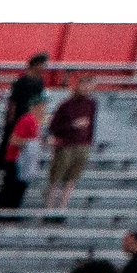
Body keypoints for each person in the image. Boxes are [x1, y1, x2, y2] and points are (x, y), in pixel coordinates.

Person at [44, 74, 99, 208]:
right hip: (66, 144)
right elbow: (53, 127)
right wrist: (73, 125)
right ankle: (49, 206)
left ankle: (63, 206)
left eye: (90, 85)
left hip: (82, 145)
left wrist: (89, 141)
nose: (87, 88)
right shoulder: (65, 105)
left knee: (72, 178)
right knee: (57, 177)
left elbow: (92, 124)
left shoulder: (92, 104)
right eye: (84, 84)